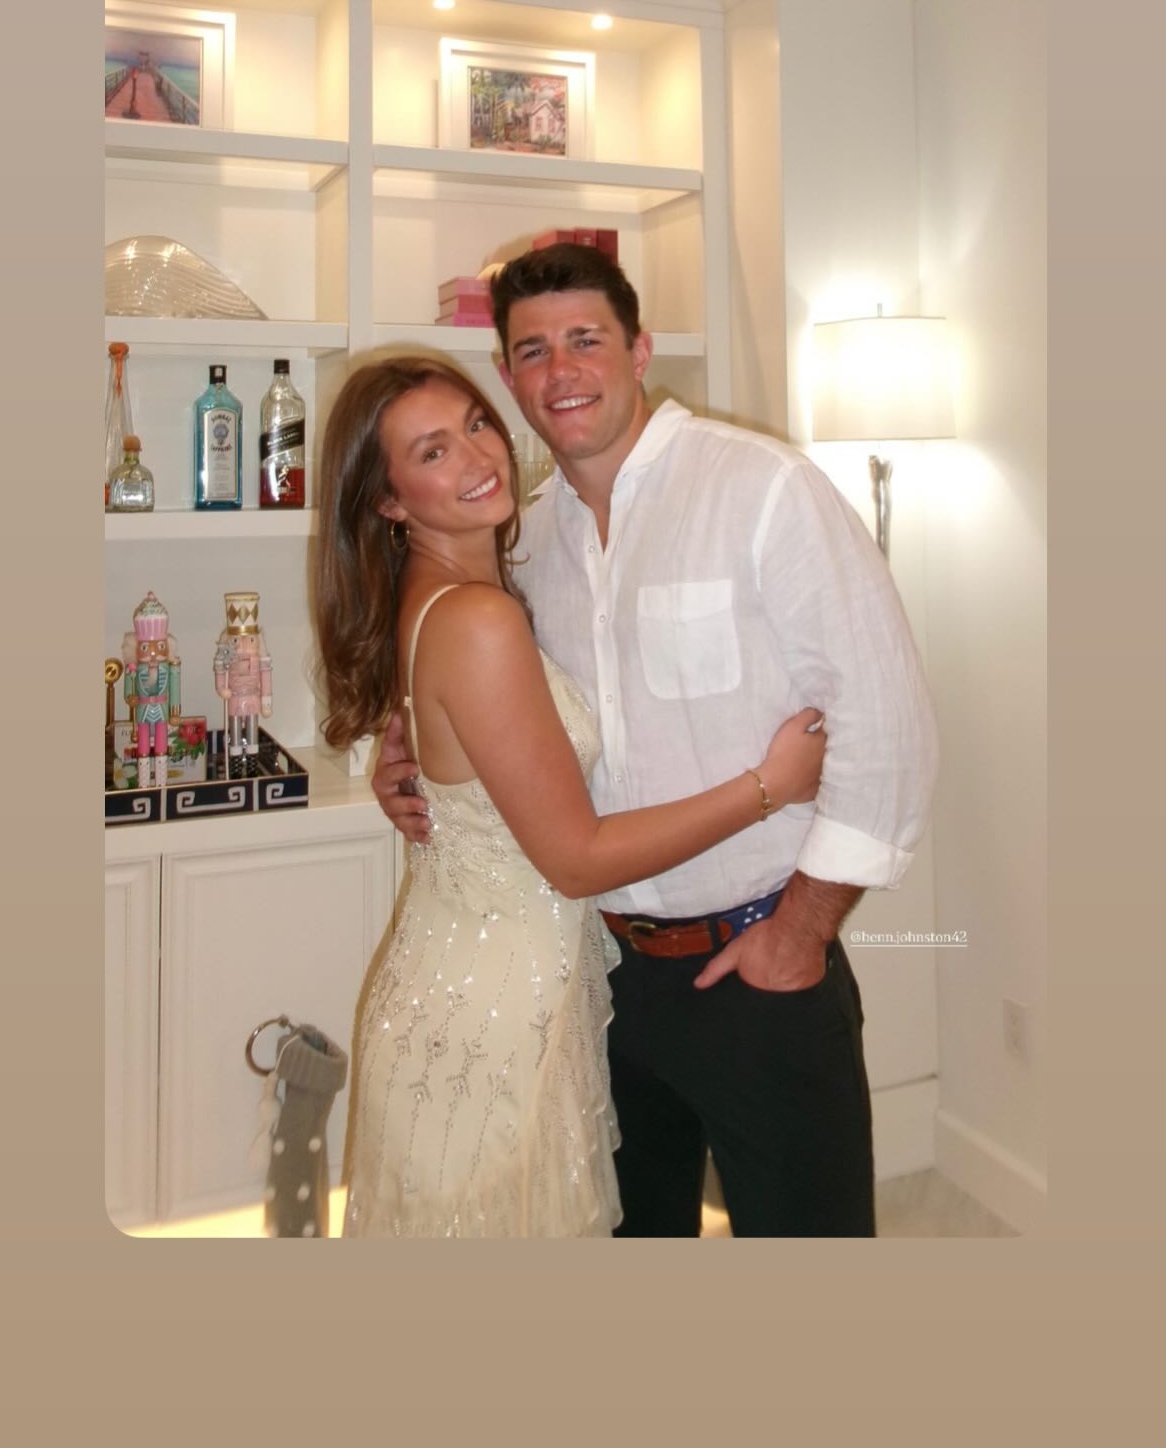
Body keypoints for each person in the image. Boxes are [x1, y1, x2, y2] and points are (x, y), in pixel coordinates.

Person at [375, 245, 940, 1237]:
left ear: (639, 350)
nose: (562, 371)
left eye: (586, 340)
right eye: (533, 351)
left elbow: (887, 720)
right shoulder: (526, 540)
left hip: (759, 965)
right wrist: (408, 748)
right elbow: (495, 698)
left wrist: (801, 931)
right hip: (601, 984)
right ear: (508, 375)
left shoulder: (762, 489)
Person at [316, 354, 827, 1239]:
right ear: (388, 502)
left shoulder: (464, 593)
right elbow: (576, 860)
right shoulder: (478, 619)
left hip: (487, 982)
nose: (478, 457)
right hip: (492, 1014)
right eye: (433, 452)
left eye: (476, 424)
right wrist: (766, 788)